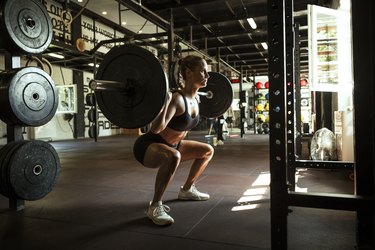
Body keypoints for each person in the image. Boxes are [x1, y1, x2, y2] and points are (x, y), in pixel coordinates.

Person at [133, 55, 214, 226]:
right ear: (189, 73)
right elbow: (155, 129)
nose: (207, 76)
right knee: (174, 156)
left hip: (174, 144)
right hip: (149, 145)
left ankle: (187, 190)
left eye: (207, 72)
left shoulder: (196, 99)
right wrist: (166, 103)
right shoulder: (177, 99)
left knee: (207, 150)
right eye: (203, 71)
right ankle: (155, 206)